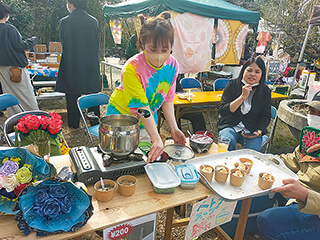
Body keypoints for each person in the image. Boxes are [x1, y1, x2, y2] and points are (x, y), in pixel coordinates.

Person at [106, 12, 186, 162]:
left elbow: (167, 100)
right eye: (153, 50)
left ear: (171, 46)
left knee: (145, 158)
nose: (159, 56)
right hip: (122, 116)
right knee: (120, 159)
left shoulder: (173, 65)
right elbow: (140, 107)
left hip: (148, 115)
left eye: (165, 50)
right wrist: (156, 137)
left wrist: (174, 129)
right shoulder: (132, 67)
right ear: (142, 45)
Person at [257, 97, 320, 240]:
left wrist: (304, 195)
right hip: (298, 196)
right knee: (255, 192)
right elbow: (293, 159)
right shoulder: (312, 139)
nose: (314, 116)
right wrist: (263, 159)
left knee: (268, 220)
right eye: (312, 111)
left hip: (314, 207)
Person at [56, 0, 101, 128]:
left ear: (71, 4)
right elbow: (96, 41)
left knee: (71, 93)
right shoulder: (93, 21)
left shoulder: (65, 22)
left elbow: (63, 42)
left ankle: (74, 123)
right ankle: (94, 120)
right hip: (90, 62)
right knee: (91, 91)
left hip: (72, 61)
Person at [217, 56, 271, 151]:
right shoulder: (232, 85)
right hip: (231, 125)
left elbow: (265, 115)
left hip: (251, 129)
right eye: (249, 70)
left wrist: (258, 131)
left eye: (257, 72)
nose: (252, 74)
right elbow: (223, 110)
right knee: (226, 142)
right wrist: (242, 97)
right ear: (243, 71)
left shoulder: (265, 91)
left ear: (262, 74)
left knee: (252, 153)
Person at [0, 2, 39, 117]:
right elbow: (19, 46)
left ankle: (16, 118)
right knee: (26, 94)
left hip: (2, 67)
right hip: (15, 68)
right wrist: (33, 40)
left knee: (10, 94)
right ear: (6, 14)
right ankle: (33, 117)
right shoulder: (10, 29)